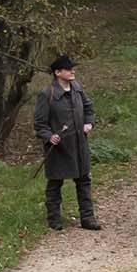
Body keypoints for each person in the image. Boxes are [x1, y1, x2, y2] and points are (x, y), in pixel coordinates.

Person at [34, 55, 100, 230]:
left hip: (79, 144)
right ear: (57, 72)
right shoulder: (47, 94)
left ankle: (88, 218)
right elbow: (40, 124)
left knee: (84, 181)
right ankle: (54, 219)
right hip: (59, 148)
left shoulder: (77, 88)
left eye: (72, 68)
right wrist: (50, 136)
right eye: (68, 69)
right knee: (55, 183)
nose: (73, 71)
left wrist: (89, 123)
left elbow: (89, 108)